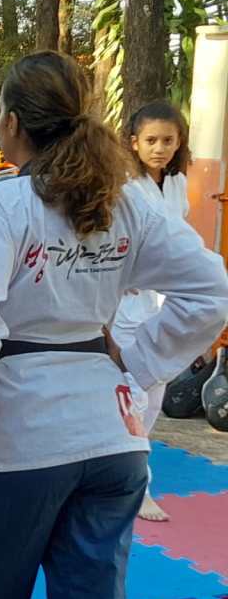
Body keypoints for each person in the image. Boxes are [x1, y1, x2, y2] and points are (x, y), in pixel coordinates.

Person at [0, 52, 228, 599]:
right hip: (112, 441)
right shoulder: (127, 205)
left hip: (17, 439)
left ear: (9, 124)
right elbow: (212, 290)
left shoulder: (3, 207)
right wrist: (138, 366)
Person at [110, 100, 192, 522]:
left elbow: (181, 238)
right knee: (134, 394)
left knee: (154, 394)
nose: (160, 148)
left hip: (166, 304)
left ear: (179, 143)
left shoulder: (177, 184)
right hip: (128, 300)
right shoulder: (123, 186)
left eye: (168, 140)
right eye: (151, 140)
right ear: (133, 143)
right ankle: (136, 485)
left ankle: (125, 473)